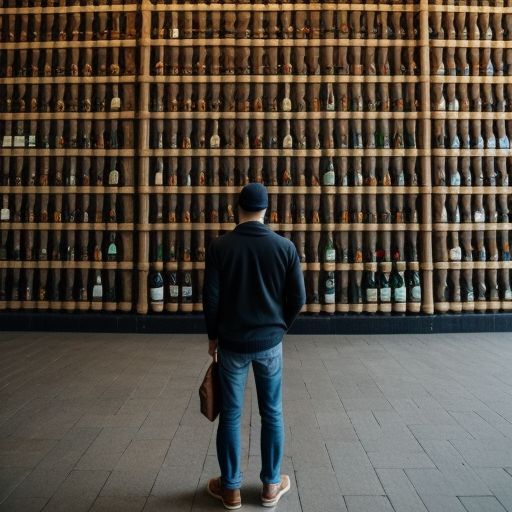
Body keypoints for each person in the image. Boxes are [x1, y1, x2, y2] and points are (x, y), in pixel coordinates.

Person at [203, 182, 306, 510]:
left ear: (238, 208)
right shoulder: (284, 247)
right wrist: (280, 328)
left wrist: (212, 335)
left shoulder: (220, 247)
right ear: (266, 210)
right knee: (272, 412)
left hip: (232, 342)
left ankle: (231, 489)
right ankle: (271, 486)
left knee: (231, 414)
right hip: (269, 343)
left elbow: (212, 298)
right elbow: (298, 298)